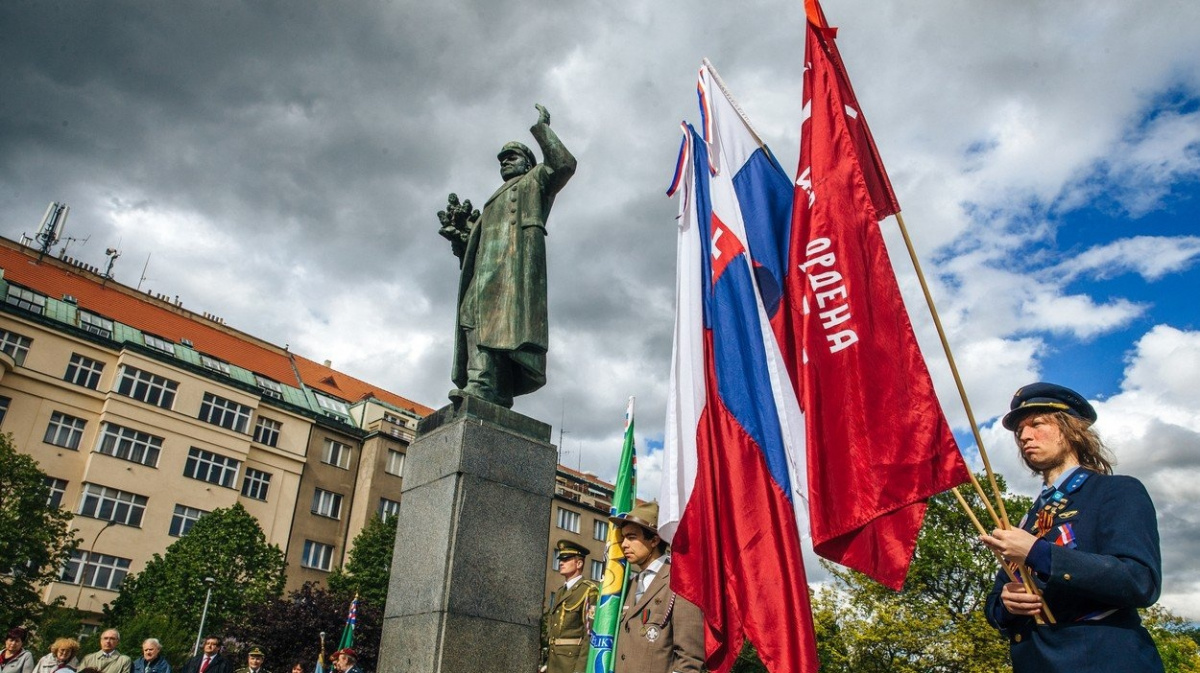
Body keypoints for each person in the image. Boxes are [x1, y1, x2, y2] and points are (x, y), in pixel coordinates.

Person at [980, 382, 1165, 672]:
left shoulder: (1116, 491)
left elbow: (1140, 581)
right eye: (1019, 432)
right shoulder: (1026, 521)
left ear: (1070, 429)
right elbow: (997, 603)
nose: (1025, 436)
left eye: (1037, 424)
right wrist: (1006, 604)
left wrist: (1040, 553)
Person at [438, 103, 576, 408]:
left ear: (528, 163)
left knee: (494, 326)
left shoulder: (535, 182)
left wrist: (542, 129)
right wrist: (460, 239)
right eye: (501, 159)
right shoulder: (491, 201)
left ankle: (486, 384)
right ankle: (488, 383)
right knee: (470, 319)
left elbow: (564, 164)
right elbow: (478, 249)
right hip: (487, 272)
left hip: (513, 270)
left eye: (511, 157)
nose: (504, 163)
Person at [610, 503, 704, 673]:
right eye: (623, 537)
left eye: (631, 537)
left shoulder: (680, 582)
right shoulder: (628, 585)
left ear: (654, 540)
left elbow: (689, 658)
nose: (623, 544)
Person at [545, 540, 600, 673]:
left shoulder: (589, 590)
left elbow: (589, 635)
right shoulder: (560, 592)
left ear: (579, 563)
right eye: (560, 559)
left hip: (571, 663)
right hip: (554, 662)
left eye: (567, 559)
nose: (561, 562)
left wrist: (580, 669)